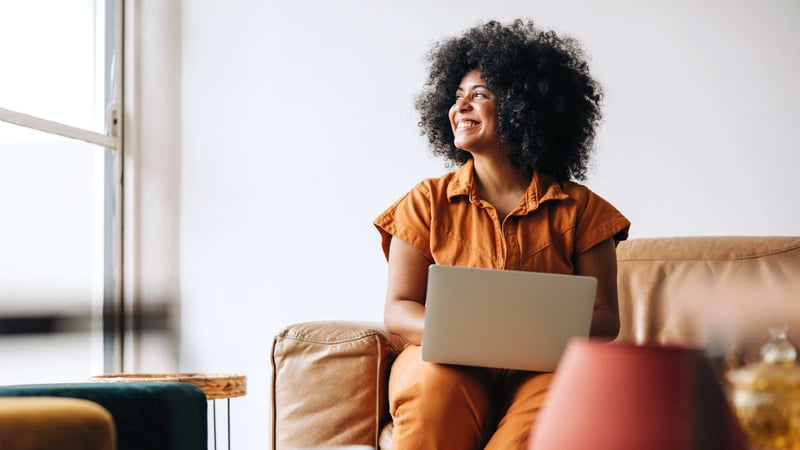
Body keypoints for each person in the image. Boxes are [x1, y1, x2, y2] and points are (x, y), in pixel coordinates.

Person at [373, 19, 631, 450]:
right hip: (446, 362)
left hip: (543, 370)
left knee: (557, 403)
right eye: (457, 97)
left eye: (479, 95)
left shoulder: (583, 209)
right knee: (434, 388)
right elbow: (398, 307)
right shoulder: (425, 201)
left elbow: (605, 319)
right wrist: (467, 333)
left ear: (522, 107)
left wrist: (527, 336)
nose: (461, 107)